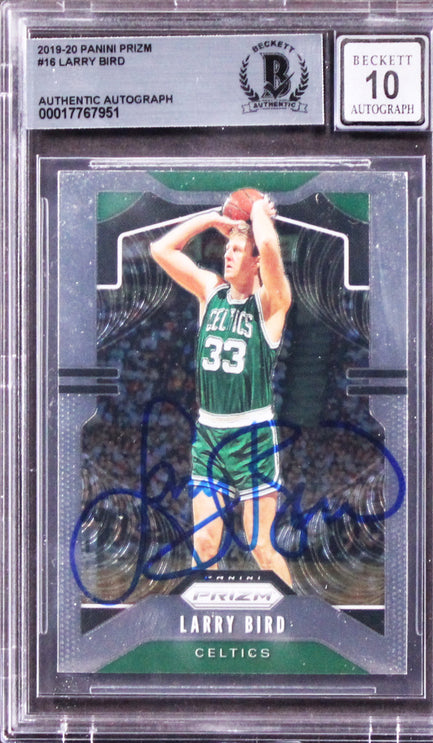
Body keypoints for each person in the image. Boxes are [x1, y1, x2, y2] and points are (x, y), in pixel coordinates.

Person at [150, 195, 292, 586]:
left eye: (237, 250)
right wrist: (210, 220)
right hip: (210, 432)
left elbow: (268, 244)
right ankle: (206, 616)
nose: (227, 254)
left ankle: (297, 615)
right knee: (204, 542)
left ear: (256, 263)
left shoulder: (270, 303)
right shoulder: (210, 291)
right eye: (227, 248)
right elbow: (161, 249)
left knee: (260, 546)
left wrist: (257, 212)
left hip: (252, 436)